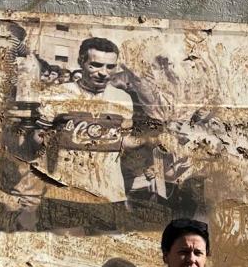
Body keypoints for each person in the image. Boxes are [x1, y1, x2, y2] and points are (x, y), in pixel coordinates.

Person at [12, 36, 151, 232]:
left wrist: (151, 138)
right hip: (66, 192)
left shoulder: (123, 99)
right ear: (81, 62)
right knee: (63, 250)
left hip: (109, 193)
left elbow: (123, 141)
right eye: (95, 65)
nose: (103, 73)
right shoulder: (58, 94)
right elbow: (37, 140)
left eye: (110, 67)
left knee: (105, 254)